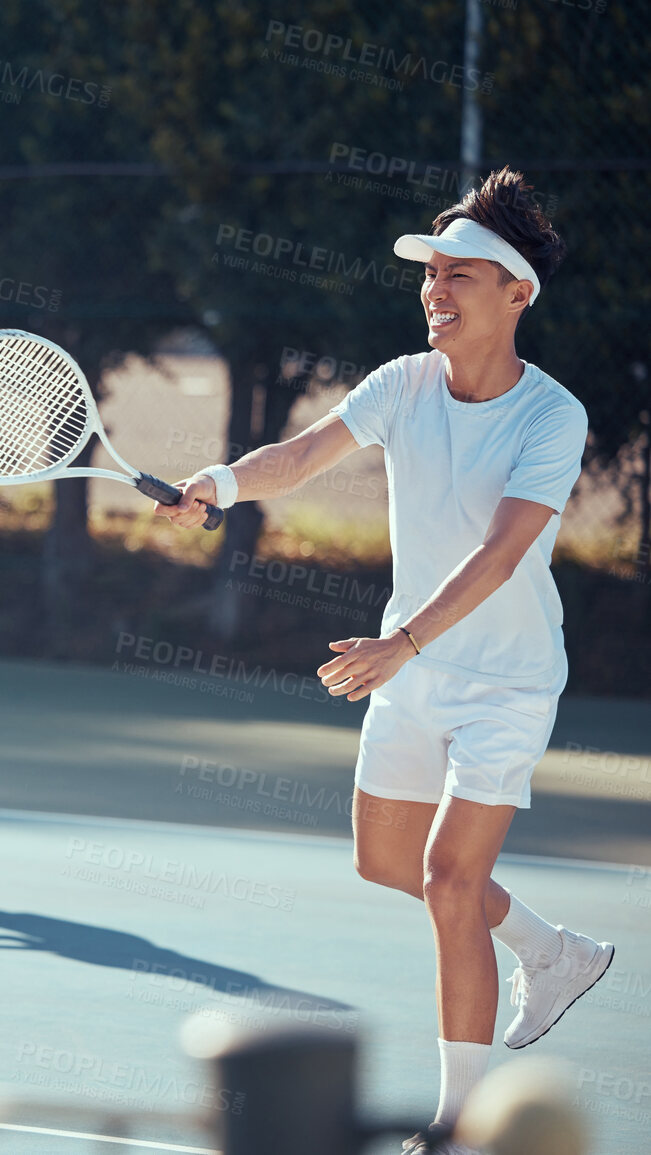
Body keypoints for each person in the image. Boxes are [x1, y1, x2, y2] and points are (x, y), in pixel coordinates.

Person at [161, 169, 612, 1154]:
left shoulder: (553, 416)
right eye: (430, 274)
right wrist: (222, 481)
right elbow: (308, 451)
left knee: (452, 882)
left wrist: (400, 642)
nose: (435, 292)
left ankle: (457, 1127)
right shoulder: (404, 382)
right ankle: (547, 947)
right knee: (387, 862)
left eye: (461, 275)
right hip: (411, 672)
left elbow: (502, 554)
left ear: (518, 293)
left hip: (504, 681)